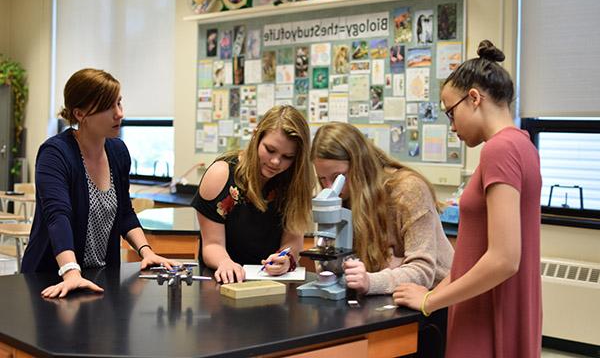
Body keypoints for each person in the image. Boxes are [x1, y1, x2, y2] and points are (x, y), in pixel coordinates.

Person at [393, 40, 542, 357]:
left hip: (487, 311)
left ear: (474, 98)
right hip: (492, 302)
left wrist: (430, 301)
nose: (452, 127)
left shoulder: (499, 149)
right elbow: (477, 255)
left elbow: (503, 259)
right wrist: (434, 290)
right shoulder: (522, 144)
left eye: (451, 113)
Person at [21, 68, 179, 298]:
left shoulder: (118, 152)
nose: (119, 114)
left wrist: (146, 251)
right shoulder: (55, 153)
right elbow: (57, 216)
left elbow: (124, 212)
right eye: (108, 106)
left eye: (119, 103)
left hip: (99, 278)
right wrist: (71, 272)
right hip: (52, 279)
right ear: (80, 113)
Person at [311, 122, 454, 295]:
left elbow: (422, 271)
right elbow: (329, 262)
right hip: (384, 296)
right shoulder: (343, 196)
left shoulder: (408, 190)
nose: (331, 188)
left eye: (337, 178)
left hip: (435, 297)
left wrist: (371, 280)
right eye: (322, 179)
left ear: (360, 166)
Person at [192, 105, 314, 284]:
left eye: (287, 157)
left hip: (272, 283)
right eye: (270, 150)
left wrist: (286, 258)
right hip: (225, 281)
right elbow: (212, 244)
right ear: (256, 135)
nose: (275, 162)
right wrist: (225, 263)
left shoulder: (294, 181)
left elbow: (293, 241)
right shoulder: (221, 175)